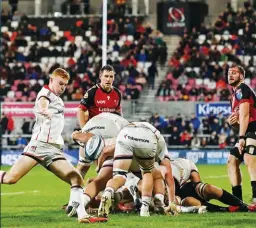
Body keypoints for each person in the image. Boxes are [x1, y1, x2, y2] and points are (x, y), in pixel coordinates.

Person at [0, 68, 106, 223]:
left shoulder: (59, 99)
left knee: (76, 177)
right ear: (51, 80)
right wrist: (43, 110)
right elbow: (43, 102)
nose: (62, 87)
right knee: (11, 178)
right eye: (60, 83)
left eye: (65, 85)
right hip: (39, 146)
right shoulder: (45, 94)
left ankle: (83, 216)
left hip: (54, 150)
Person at [98, 122, 178, 217]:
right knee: (147, 172)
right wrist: (172, 203)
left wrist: (99, 168)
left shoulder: (133, 129)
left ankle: (108, 192)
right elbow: (168, 175)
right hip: (146, 138)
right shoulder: (161, 144)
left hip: (125, 134)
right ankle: (144, 209)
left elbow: (105, 151)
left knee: (119, 176)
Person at [69, 112, 129, 216]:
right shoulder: (122, 126)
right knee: (120, 178)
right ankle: (116, 195)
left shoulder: (87, 132)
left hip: (88, 134)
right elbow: (105, 151)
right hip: (115, 137)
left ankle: (77, 202)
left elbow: (80, 170)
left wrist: (75, 135)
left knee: (90, 175)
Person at [76, 64, 122, 178]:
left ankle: (97, 191)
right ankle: (75, 190)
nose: (108, 79)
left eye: (111, 76)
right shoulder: (92, 92)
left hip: (109, 135)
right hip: (93, 134)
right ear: (100, 76)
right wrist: (84, 129)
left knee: (106, 167)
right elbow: (81, 110)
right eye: (106, 76)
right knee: (83, 166)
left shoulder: (117, 93)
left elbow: (119, 114)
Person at [163, 158, 256, 212]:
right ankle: (228, 209)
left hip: (182, 176)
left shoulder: (185, 170)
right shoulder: (164, 176)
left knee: (208, 189)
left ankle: (243, 206)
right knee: (191, 201)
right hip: (176, 181)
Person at [226, 65, 256, 204]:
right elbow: (240, 120)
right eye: (229, 73)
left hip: (254, 128)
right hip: (248, 130)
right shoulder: (234, 94)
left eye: (234, 73)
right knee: (232, 160)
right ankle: (237, 201)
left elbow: (245, 115)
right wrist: (232, 123)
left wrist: (241, 138)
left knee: (249, 158)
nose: (230, 75)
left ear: (242, 76)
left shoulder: (243, 89)